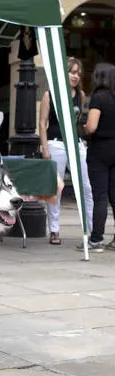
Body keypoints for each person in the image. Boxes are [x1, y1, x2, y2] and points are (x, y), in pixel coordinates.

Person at [39, 57, 93, 246]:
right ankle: (54, 230)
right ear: (64, 72)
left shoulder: (81, 95)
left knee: (86, 186)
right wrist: (44, 147)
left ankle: (91, 230)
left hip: (77, 144)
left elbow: (80, 121)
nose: (76, 76)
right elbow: (42, 122)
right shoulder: (50, 94)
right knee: (57, 188)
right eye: (72, 72)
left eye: (78, 73)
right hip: (56, 143)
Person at [82, 62, 115, 252]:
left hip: (100, 151)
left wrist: (85, 129)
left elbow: (92, 126)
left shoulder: (98, 98)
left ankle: (96, 239)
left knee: (100, 196)